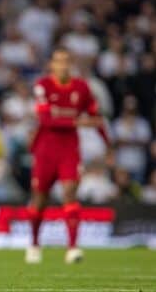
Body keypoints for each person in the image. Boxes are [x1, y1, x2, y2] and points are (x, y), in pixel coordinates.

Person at [26, 47, 108, 264]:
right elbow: (46, 121)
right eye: (58, 61)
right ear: (51, 64)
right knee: (39, 199)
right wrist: (78, 122)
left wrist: (108, 146)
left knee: (70, 193)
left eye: (66, 61)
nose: (62, 65)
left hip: (69, 149)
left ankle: (72, 248)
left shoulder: (81, 87)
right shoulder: (43, 86)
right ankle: (34, 243)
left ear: (70, 64)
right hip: (45, 149)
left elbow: (95, 117)